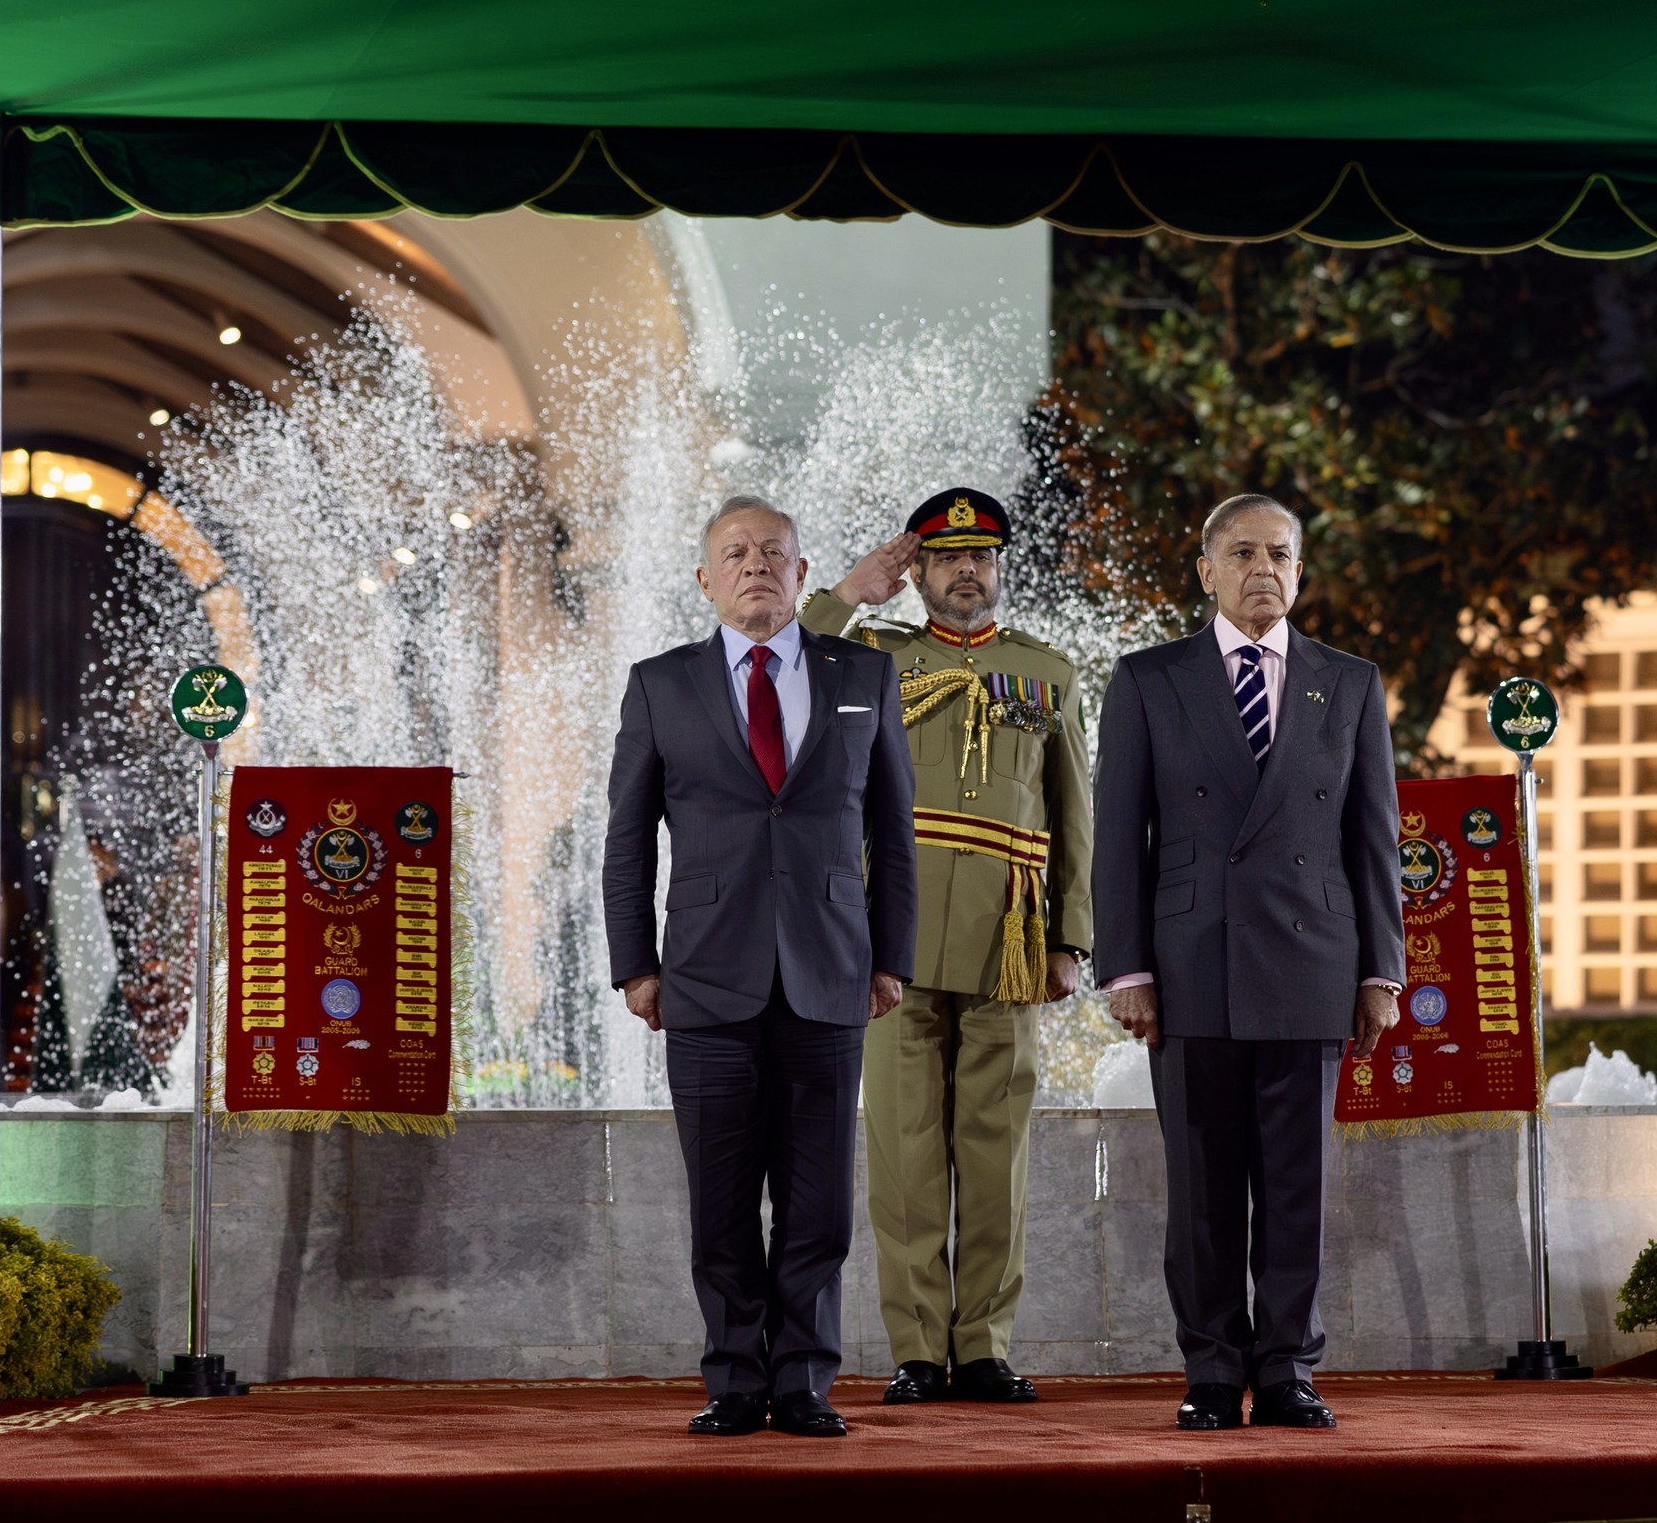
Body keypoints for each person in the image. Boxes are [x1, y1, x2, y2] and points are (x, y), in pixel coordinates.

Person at [602, 494, 917, 1439]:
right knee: (724, 1200)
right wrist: (636, 967)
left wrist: (892, 958)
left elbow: (893, 835)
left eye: (774, 553)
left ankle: (805, 1380)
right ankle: (736, 1379)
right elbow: (627, 842)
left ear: (802, 573)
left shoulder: (865, 674)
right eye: (736, 554)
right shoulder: (660, 684)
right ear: (706, 580)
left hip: (831, 973)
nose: (756, 566)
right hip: (703, 979)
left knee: (819, 1203)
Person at [1093, 493, 1405, 1432]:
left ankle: (1287, 1371)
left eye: (1278, 554)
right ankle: (1210, 1370)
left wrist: (1382, 971)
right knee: (1201, 1194)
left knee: (1298, 1191)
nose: (1261, 568)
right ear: (1206, 570)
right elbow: (1120, 840)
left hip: (1314, 962)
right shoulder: (1149, 679)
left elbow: (1375, 838)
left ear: (1300, 571)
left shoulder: (1350, 682)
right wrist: (1126, 969)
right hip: (1191, 966)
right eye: (1241, 553)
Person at [800, 487, 1092, 1406]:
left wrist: (1071, 940)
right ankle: (919, 1351)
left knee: (997, 1159)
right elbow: (779, 663)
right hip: (893, 945)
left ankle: (985, 1348)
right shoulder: (874, 659)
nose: (968, 570)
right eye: (948, 557)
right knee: (905, 1156)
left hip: (1010, 943)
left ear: (999, 568)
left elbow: (1075, 819)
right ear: (918, 572)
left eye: (982, 556)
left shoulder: (1047, 673)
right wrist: (849, 592)